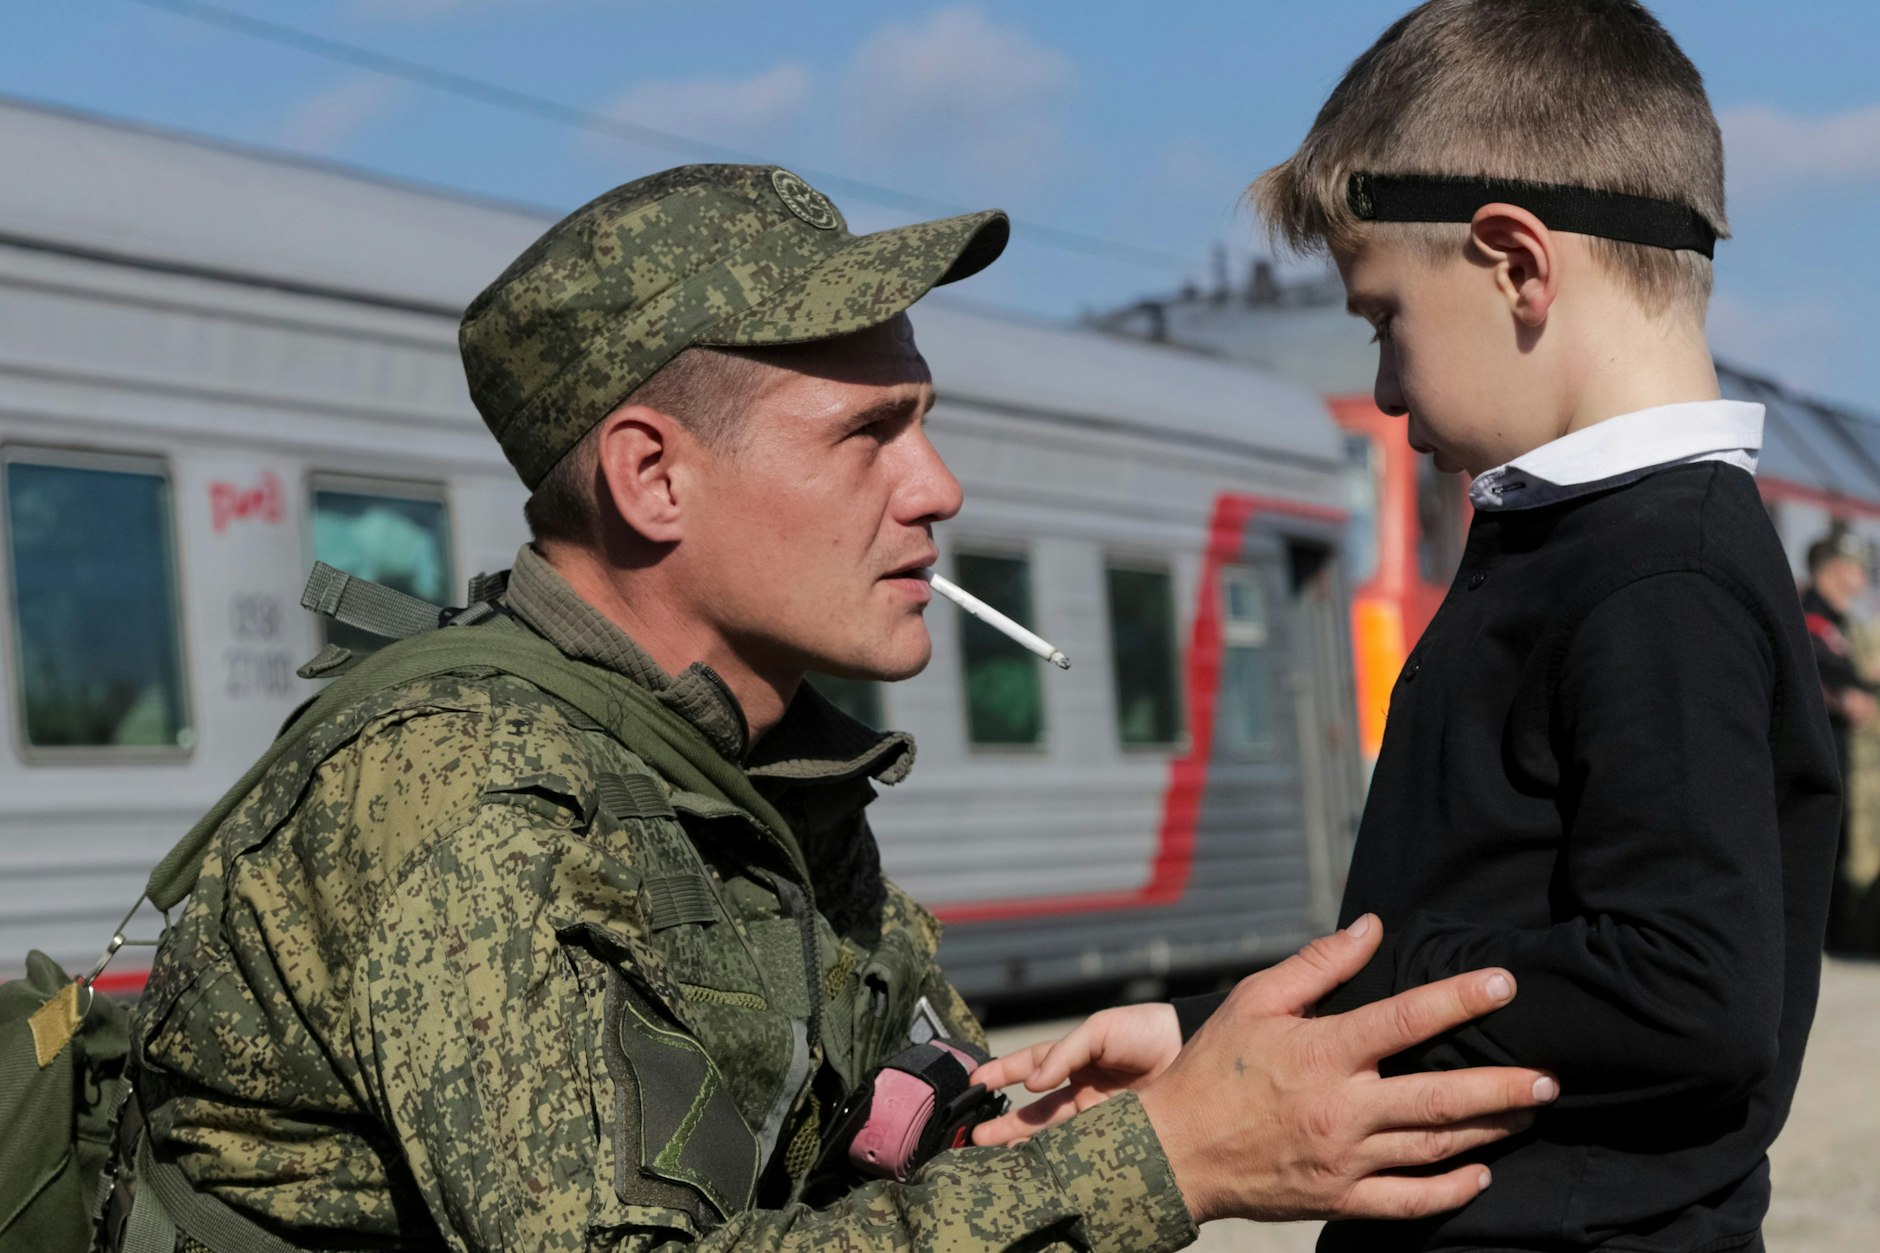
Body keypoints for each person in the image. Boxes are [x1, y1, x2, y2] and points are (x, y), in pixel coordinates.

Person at [108, 165, 1559, 1253]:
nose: (937, 489)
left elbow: (888, 1090)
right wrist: (1158, 1164)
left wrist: (1021, 1120)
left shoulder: (747, 768)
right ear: (651, 478)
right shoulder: (462, 793)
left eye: (923, 425)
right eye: (868, 433)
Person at [976, 3, 1841, 1251]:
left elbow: (1688, 989)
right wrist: (1204, 1030)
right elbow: (1502, 916)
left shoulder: (1659, 578)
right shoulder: (1580, 546)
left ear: (1516, 264)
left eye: (1383, 318)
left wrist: (1342, 1015)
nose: (1382, 386)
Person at [1803, 533, 1880, 953]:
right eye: (1852, 572)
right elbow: (1807, 676)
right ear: (1831, 571)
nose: (1859, 582)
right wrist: (1844, 699)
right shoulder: (1808, 617)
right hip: (1818, 757)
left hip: (1841, 756)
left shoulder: (1839, 625)